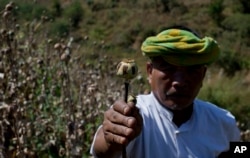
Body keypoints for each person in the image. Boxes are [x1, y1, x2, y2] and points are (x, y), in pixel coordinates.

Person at [90, 26, 241, 158]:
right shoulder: (133, 115)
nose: (180, 82)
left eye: (191, 70)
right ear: (150, 72)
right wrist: (111, 139)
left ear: (203, 75)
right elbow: (102, 149)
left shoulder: (223, 122)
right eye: (169, 68)